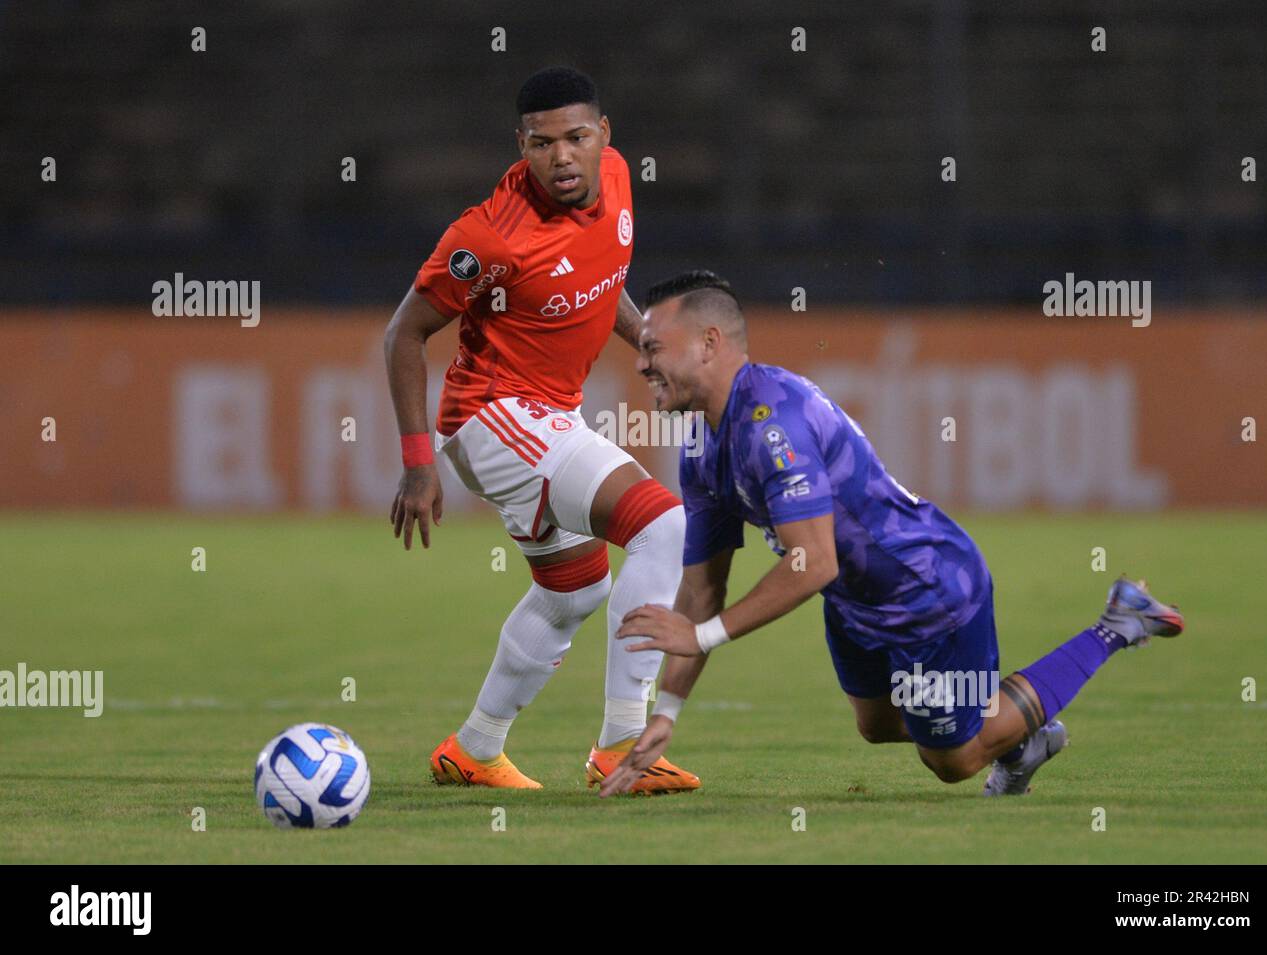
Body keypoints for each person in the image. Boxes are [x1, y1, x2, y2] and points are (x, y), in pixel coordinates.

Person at [598, 270, 1184, 797]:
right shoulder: (701, 447)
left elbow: (815, 561)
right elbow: (701, 594)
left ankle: (1116, 626)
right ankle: (1003, 725)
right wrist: (667, 713)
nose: (642, 363)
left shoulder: (773, 423)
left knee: (954, 761)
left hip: (926, 590)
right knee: (876, 726)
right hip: (854, 600)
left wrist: (703, 638)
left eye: (653, 348)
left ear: (709, 344)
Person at [383, 67, 699, 793]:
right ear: (520, 145)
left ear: (604, 137)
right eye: (542, 142)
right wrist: (416, 463)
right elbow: (405, 333)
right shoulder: (489, 236)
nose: (562, 157)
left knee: (574, 591)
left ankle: (474, 748)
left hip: (543, 412)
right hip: (494, 414)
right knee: (665, 527)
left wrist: (651, 349)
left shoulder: (617, 180)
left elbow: (600, 279)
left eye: (576, 138)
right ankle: (623, 744)